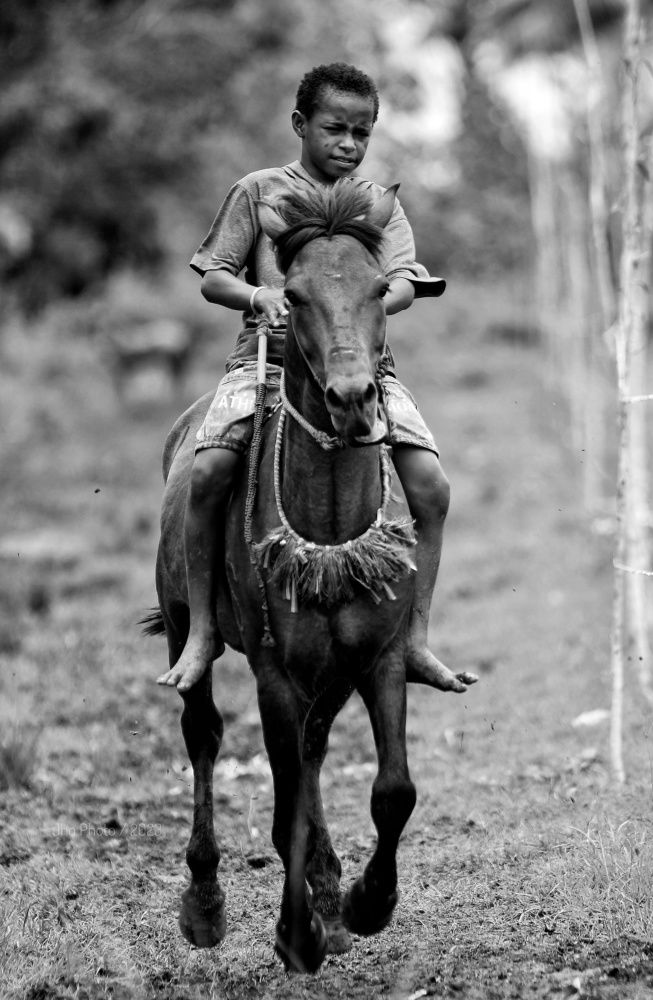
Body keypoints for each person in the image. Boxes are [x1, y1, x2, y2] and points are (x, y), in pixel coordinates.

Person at [157, 62, 470, 695]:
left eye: (362, 133)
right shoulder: (260, 192)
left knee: (431, 485)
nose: (349, 145)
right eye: (335, 129)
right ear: (301, 124)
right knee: (210, 471)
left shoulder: (377, 205)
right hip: (265, 361)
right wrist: (259, 296)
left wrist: (366, 301)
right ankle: (202, 630)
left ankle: (413, 637)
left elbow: (405, 280)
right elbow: (215, 277)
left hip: (361, 366)